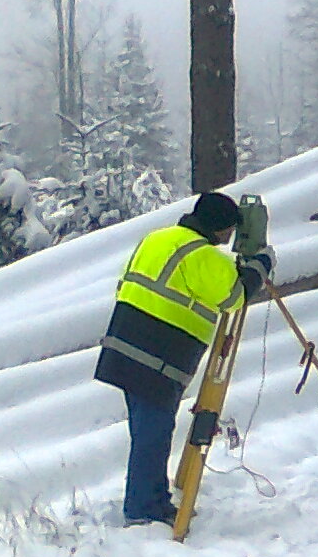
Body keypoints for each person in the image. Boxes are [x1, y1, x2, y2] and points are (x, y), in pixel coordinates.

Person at [94, 191, 271, 526]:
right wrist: (260, 265)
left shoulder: (159, 238)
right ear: (222, 230)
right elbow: (235, 297)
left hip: (124, 346)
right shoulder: (201, 254)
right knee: (153, 433)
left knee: (146, 430)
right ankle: (143, 509)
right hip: (156, 357)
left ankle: (152, 498)